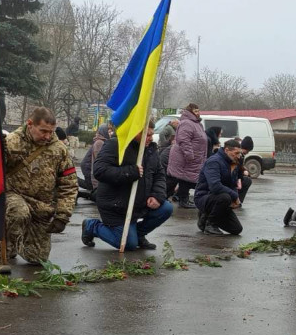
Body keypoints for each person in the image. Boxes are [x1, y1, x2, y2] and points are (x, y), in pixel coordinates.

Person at [0, 107, 78, 273]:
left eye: (51, 132)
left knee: (37, 259)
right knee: (19, 213)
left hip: (41, 204)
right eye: (43, 131)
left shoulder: (59, 150)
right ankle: (1, 257)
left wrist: (63, 215)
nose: (47, 136)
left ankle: (18, 241)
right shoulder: (11, 142)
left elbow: (68, 184)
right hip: (13, 195)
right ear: (30, 124)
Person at [82, 121, 173, 251]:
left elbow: (159, 174)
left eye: (152, 134)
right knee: (128, 244)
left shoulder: (151, 150)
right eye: (147, 135)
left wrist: (156, 195)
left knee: (166, 208)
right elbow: (100, 170)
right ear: (135, 132)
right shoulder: (115, 144)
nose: (151, 138)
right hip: (116, 205)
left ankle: (139, 235)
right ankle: (92, 226)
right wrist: (131, 172)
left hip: (139, 203)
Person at [194, 137, 245, 236]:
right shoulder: (214, 161)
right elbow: (215, 186)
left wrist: (235, 200)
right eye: (236, 153)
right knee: (225, 197)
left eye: (240, 153)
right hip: (204, 197)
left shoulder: (233, 163)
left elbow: (233, 184)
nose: (239, 156)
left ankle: (204, 218)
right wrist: (234, 196)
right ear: (226, 150)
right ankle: (210, 224)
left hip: (221, 199)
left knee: (236, 229)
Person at [166, 104, 206, 208]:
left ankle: (182, 199)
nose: (198, 113)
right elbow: (184, 140)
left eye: (198, 110)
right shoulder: (187, 123)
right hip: (184, 158)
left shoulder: (197, 124)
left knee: (185, 180)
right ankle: (162, 199)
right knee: (178, 179)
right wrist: (189, 155)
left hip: (192, 158)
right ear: (190, 112)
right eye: (196, 111)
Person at [78, 122, 113, 200]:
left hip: (88, 168)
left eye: (111, 131)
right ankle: (78, 188)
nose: (110, 133)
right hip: (88, 169)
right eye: (109, 131)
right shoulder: (100, 143)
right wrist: (96, 183)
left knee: (92, 188)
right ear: (104, 131)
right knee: (95, 193)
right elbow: (97, 163)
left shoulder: (102, 141)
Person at [235, 135, 254, 205]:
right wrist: (243, 172)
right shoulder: (238, 154)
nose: (248, 152)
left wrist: (244, 170)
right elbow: (237, 167)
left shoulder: (241, 154)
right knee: (247, 181)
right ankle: (237, 200)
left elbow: (240, 166)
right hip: (233, 176)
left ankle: (238, 200)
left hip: (235, 175)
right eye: (247, 150)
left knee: (246, 179)